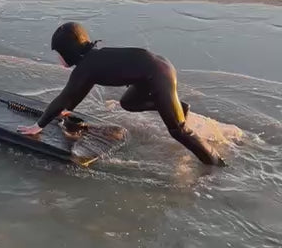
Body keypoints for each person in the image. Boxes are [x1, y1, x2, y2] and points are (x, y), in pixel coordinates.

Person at [18, 22, 225, 166]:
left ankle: (216, 163)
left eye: (58, 54)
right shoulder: (91, 63)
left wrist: (38, 126)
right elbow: (75, 94)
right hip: (154, 69)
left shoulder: (86, 68)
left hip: (159, 75)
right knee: (128, 102)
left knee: (178, 131)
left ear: (68, 52)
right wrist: (66, 110)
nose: (58, 59)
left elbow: (66, 96)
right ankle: (179, 107)